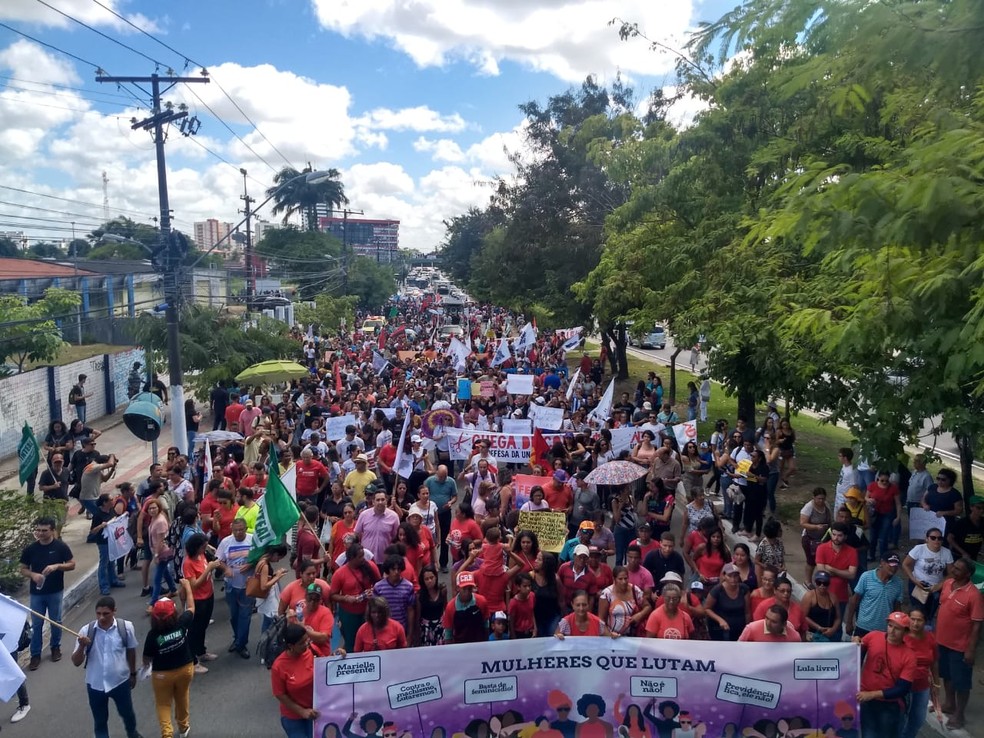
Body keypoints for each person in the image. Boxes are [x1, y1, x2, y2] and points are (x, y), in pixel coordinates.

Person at [71, 596, 143, 738]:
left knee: (127, 714)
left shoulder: (126, 627)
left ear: (114, 611)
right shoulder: (86, 631)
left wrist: (133, 673)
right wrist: (81, 646)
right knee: (100, 721)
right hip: (95, 685)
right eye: (98, 614)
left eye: (106, 614)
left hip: (120, 682)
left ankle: (132, 733)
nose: (101, 617)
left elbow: (131, 651)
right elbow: (76, 661)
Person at [935, 557, 984, 730]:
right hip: (942, 641)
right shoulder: (948, 583)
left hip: (960, 647)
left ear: (968, 574)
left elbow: (977, 624)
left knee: (961, 682)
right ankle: (949, 703)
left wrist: (970, 650)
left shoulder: (974, 595)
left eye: (958, 569)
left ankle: (959, 715)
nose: (953, 571)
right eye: (953, 567)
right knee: (947, 675)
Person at [20, 515, 74, 670]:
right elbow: (23, 568)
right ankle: (35, 654)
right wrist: (33, 575)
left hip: (55, 591)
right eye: (38, 530)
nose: (40, 533)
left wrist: (57, 566)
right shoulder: (30, 549)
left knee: (56, 621)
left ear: (52, 531)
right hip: (36, 593)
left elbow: (72, 564)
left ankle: (55, 647)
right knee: (37, 624)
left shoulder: (60, 547)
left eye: (44, 530)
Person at [143, 582, 195, 738]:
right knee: (182, 696)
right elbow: (191, 607)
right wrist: (187, 587)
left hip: (162, 675)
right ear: (174, 613)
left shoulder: (152, 636)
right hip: (185, 669)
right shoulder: (182, 623)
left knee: (163, 704)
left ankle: (167, 734)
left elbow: (147, 658)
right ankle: (184, 727)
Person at [855, 611, 916, 738]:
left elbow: (902, 688)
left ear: (905, 632)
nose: (892, 631)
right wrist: (855, 640)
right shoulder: (873, 636)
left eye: (897, 628)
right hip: (866, 700)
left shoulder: (909, 656)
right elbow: (857, 651)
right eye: (890, 626)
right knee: (868, 734)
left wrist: (872, 694)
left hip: (889, 705)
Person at [182, 533, 223, 674]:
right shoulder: (188, 563)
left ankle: (201, 652)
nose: (205, 549)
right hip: (198, 600)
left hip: (208, 596)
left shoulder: (202, 555)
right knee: (194, 631)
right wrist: (209, 568)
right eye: (203, 547)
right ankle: (192, 660)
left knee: (203, 626)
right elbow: (194, 585)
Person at [271, 623, 320, 738]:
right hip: (293, 717)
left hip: (315, 711)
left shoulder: (311, 650)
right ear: (290, 646)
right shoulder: (278, 666)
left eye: (307, 640)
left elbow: (325, 665)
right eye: (301, 643)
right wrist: (302, 711)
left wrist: (338, 655)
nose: (306, 644)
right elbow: (280, 694)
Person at [215, 518, 254, 658]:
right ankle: (238, 639)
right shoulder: (226, 542)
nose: (238, 533)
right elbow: (218, 560)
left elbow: (261, 557)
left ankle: (241, 644)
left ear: (245, 528)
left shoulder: (252, 539)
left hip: (247, 585)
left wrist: (250, 565)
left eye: (241, 530)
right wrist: (225, 568)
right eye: (235, 530)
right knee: (234, 615)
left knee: (245, 615)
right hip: (231, 585)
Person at [844, 554, 903, 638]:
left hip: (884, 629)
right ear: (882, 563)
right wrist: (849, 622)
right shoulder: (866, 576)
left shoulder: (898, 583)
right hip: (863, 627)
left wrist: (898, 625)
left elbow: (897, 607)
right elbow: (855, 600)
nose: (893, 568)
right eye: (891, 565)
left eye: (896, 566)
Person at [901, 527, 954, 622]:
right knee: (918, 611)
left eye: (939, 538)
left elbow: (951, 573)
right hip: (918, 584)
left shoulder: (946, 552)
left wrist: (939, 585)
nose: (936, 540)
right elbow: (905, 564)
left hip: (936, 587)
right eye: (933, 538)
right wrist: (914, 580)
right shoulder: (919, 549)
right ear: (927, 539)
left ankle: (927, 631)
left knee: (931, 612)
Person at [901, 606, 938, 738]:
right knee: (900, 719)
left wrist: (936, 687)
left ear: (925, 621)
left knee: (918, 719)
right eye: (912, 619)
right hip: (902, 686)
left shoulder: (930, 638)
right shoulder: (900, 637)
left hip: (922, 686)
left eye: (919, 620)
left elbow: (934, 663)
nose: (915, 623)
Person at [703, 563, 750, 641]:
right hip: (722, 631)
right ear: (724, 576)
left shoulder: (744, 589)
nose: (733, 579)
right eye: (730, 576)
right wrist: (720, 620)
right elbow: (707, 609)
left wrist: (748, 627)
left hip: (740, 628)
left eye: (735, 576)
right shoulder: (717, 590)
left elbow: (747, 611)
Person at [423, 465, 458, 572]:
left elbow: (455, 496)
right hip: (432, 514)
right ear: (436, 473)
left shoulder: (451, 482)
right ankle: (430, 562)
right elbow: (423, 494)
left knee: (444, 538)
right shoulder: (429, 481)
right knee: (430, 537)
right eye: (441, 476)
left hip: (445, 513)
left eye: (445, 476)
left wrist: (450, 502)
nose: (443, 479)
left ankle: (443, 563)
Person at [598, 565, 650, 636]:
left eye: (626, 578)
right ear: (614, 579)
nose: (624, 582)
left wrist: (639, 615)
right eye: (620, 579)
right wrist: (609, 634)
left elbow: (648, 607)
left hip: (633, 636)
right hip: (612, 637)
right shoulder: (607, 594)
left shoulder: (635, 590)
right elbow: (601, 620)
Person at [443, 571, 489, 643]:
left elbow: (486, 625)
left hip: (479, 644)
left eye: (470, 588)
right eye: (464, 589)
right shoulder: (450, 607)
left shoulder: (482, 601)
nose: (467, 592)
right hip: (460, 646)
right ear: (458, 588)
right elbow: (448, 634)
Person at [866, 470, 902, 561]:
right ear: (878, 478)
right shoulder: (872, 485)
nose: (885, 483)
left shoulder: (893, 488)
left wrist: (898, 517)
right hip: (874, 514)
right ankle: (871, 555)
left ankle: (883, 557)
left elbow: (898, 503)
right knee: (873, 536)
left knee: (883, 537)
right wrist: (869, 500)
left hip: (887, 514)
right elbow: (866, 497)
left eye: (886, 481)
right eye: (882, 480)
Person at [799, 487, 832, 583]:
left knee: (823, 561)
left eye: (823, 498)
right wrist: (816, 527)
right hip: (810, 538)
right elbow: (803, 523)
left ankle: (822, 580)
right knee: (811, 561)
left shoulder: (826, 506)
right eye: (819, 499)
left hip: (823, 538)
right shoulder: (808, 507)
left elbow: (830, 519)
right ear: (814, 497)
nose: (821, 501)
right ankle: (807, 581)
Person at [801, 571, 842, 642]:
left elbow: (838, 617)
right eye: (819, 582)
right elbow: (803, 616)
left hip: (829, 635)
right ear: (815, 583)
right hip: (813, 635)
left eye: (825, 583)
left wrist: (833, 629)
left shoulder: (833, 597)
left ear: (829, 584)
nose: (822, 585)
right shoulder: (809, 596)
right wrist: (818, 628)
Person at [948, 494, 984, 561]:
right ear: (971, 507)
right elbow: (950, 538)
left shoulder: (982, 522)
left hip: (973, 556)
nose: (982, 510)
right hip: (959, 556)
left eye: (983, 508)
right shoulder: (962, 522)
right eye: (978, 508)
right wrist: (963, 553)